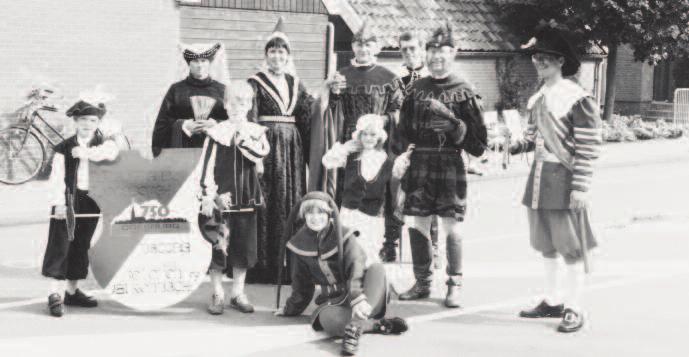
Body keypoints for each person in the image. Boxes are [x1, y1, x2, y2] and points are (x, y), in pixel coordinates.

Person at [510, 27, 602, 333]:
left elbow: (588, 146)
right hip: (538, 179)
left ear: (561, 61)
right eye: (537, 58)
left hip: (563, 179)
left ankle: (574, 306)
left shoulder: (577, 97)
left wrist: (581, 187)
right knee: (545, 245)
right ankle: (552, 299)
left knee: (570, 247)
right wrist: (515, 144)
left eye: (547, 58)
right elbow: (534, 138)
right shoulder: (539, 97)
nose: (540, 62)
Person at [394, 22, 488, 308]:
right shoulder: (416, 90)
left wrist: (456, 126)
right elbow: (403, 132)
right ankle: (422, 282)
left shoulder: (464, 90)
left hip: (449, 163)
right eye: (431, 51)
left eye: (442, 51)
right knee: (417, 222)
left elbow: (478, 144)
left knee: (452, 225)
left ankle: (454, 284)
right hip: (420, 161)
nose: (436, 57)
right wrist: (403, 157)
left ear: (454, 53)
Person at [310, 21, 404, 266]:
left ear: (377, 47)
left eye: (369, 44)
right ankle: (345, 247)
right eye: (359, 44)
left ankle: (382, 248)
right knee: (348, 196)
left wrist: (379, 123)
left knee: (378, 195)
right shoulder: (342, 76)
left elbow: (399, 110)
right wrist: (332, 93)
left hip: (378, 142)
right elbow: (330, 111)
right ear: (353, 46)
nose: (363, 48)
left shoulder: (390, 78)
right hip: (350, 142)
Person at [275, 192, 408, 356]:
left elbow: (357, 267)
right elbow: (301, 286)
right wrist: (290, 309)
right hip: (334, 301)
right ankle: (368, 326)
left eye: (320, 212)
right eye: (310, 212)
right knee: (327, 320)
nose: (315, 217)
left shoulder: (345, 235)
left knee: (377, 269)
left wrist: (357, 297)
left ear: (329, 213)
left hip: (365, 294)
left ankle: (353, 329)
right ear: (304, 215)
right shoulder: (298, 243)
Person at [246, 17, 317, 284]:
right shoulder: (255, 83)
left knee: (290, 201)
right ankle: (261, 265)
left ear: (288, 56)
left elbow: (310, 117)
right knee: (266, 202)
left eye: (281, 52)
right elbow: (250, 119)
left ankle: (288, 264)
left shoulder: (297, 84)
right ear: (266, 55)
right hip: (267, 149)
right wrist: (254, 154)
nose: (277, 56)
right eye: (272, 51)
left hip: (292, 153)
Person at [42, 99, 120, 317]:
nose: (87, 124)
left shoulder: (105, 143)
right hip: (68, 199)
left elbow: (111, 153)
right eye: (83, 120)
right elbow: (56, 178)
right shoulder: (64, 148)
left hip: (90, 200)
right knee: (61, 244)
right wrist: (58, 203)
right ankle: (54, 294)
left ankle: (72, 291)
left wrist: (84, 153)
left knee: (81, 244)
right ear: (75, 121)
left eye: (93, 120)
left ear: (98, 123)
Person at [198, 81, 269, 315]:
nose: (239, 106)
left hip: (247, 199)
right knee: (219, 249)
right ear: (226, 105)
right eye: (234, 102)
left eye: (244, 101)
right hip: (223, 200)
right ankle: (218, 292)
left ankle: (238, 292)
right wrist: (211, 196)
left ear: (249, 105)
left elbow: (261, 154)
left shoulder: (256, 132)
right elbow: (206, 167)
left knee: (243, 249)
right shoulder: (216, 133)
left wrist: (243, 138)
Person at [379, 30, 442, 265]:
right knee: (394, 193)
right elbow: (386, 110)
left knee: (428, 196)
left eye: (413, 48)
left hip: (427, 146)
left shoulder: (435, 78)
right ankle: (390, 243)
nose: (408, 53)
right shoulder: (394, 79)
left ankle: (432, 246)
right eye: (404, 49)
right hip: (398, 144)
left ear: (422, 49)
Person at [321, 114, 412, 266]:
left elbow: (399, 173)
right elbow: (327, 161)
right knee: (347, 250)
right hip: (349, 213)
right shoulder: (351, 157)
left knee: (369, 253)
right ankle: (348, 283)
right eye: (365, 134)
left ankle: (366, 283)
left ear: (379, 137)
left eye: (373, 134)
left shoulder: (387, 160)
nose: (369, 138)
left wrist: (407, 157)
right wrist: (345, 148)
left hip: (373, 216)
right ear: (359, 135)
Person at [151, 42, 229, 157]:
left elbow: (233, 121)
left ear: (210, 63)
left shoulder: (222, 90)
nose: (199, 65)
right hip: (183, 149)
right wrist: (184, 125)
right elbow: (162, 124)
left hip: (214, 151)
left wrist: (215, 124)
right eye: (195, 61)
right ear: (189, 64)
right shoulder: (176, 89)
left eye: (204, 61)